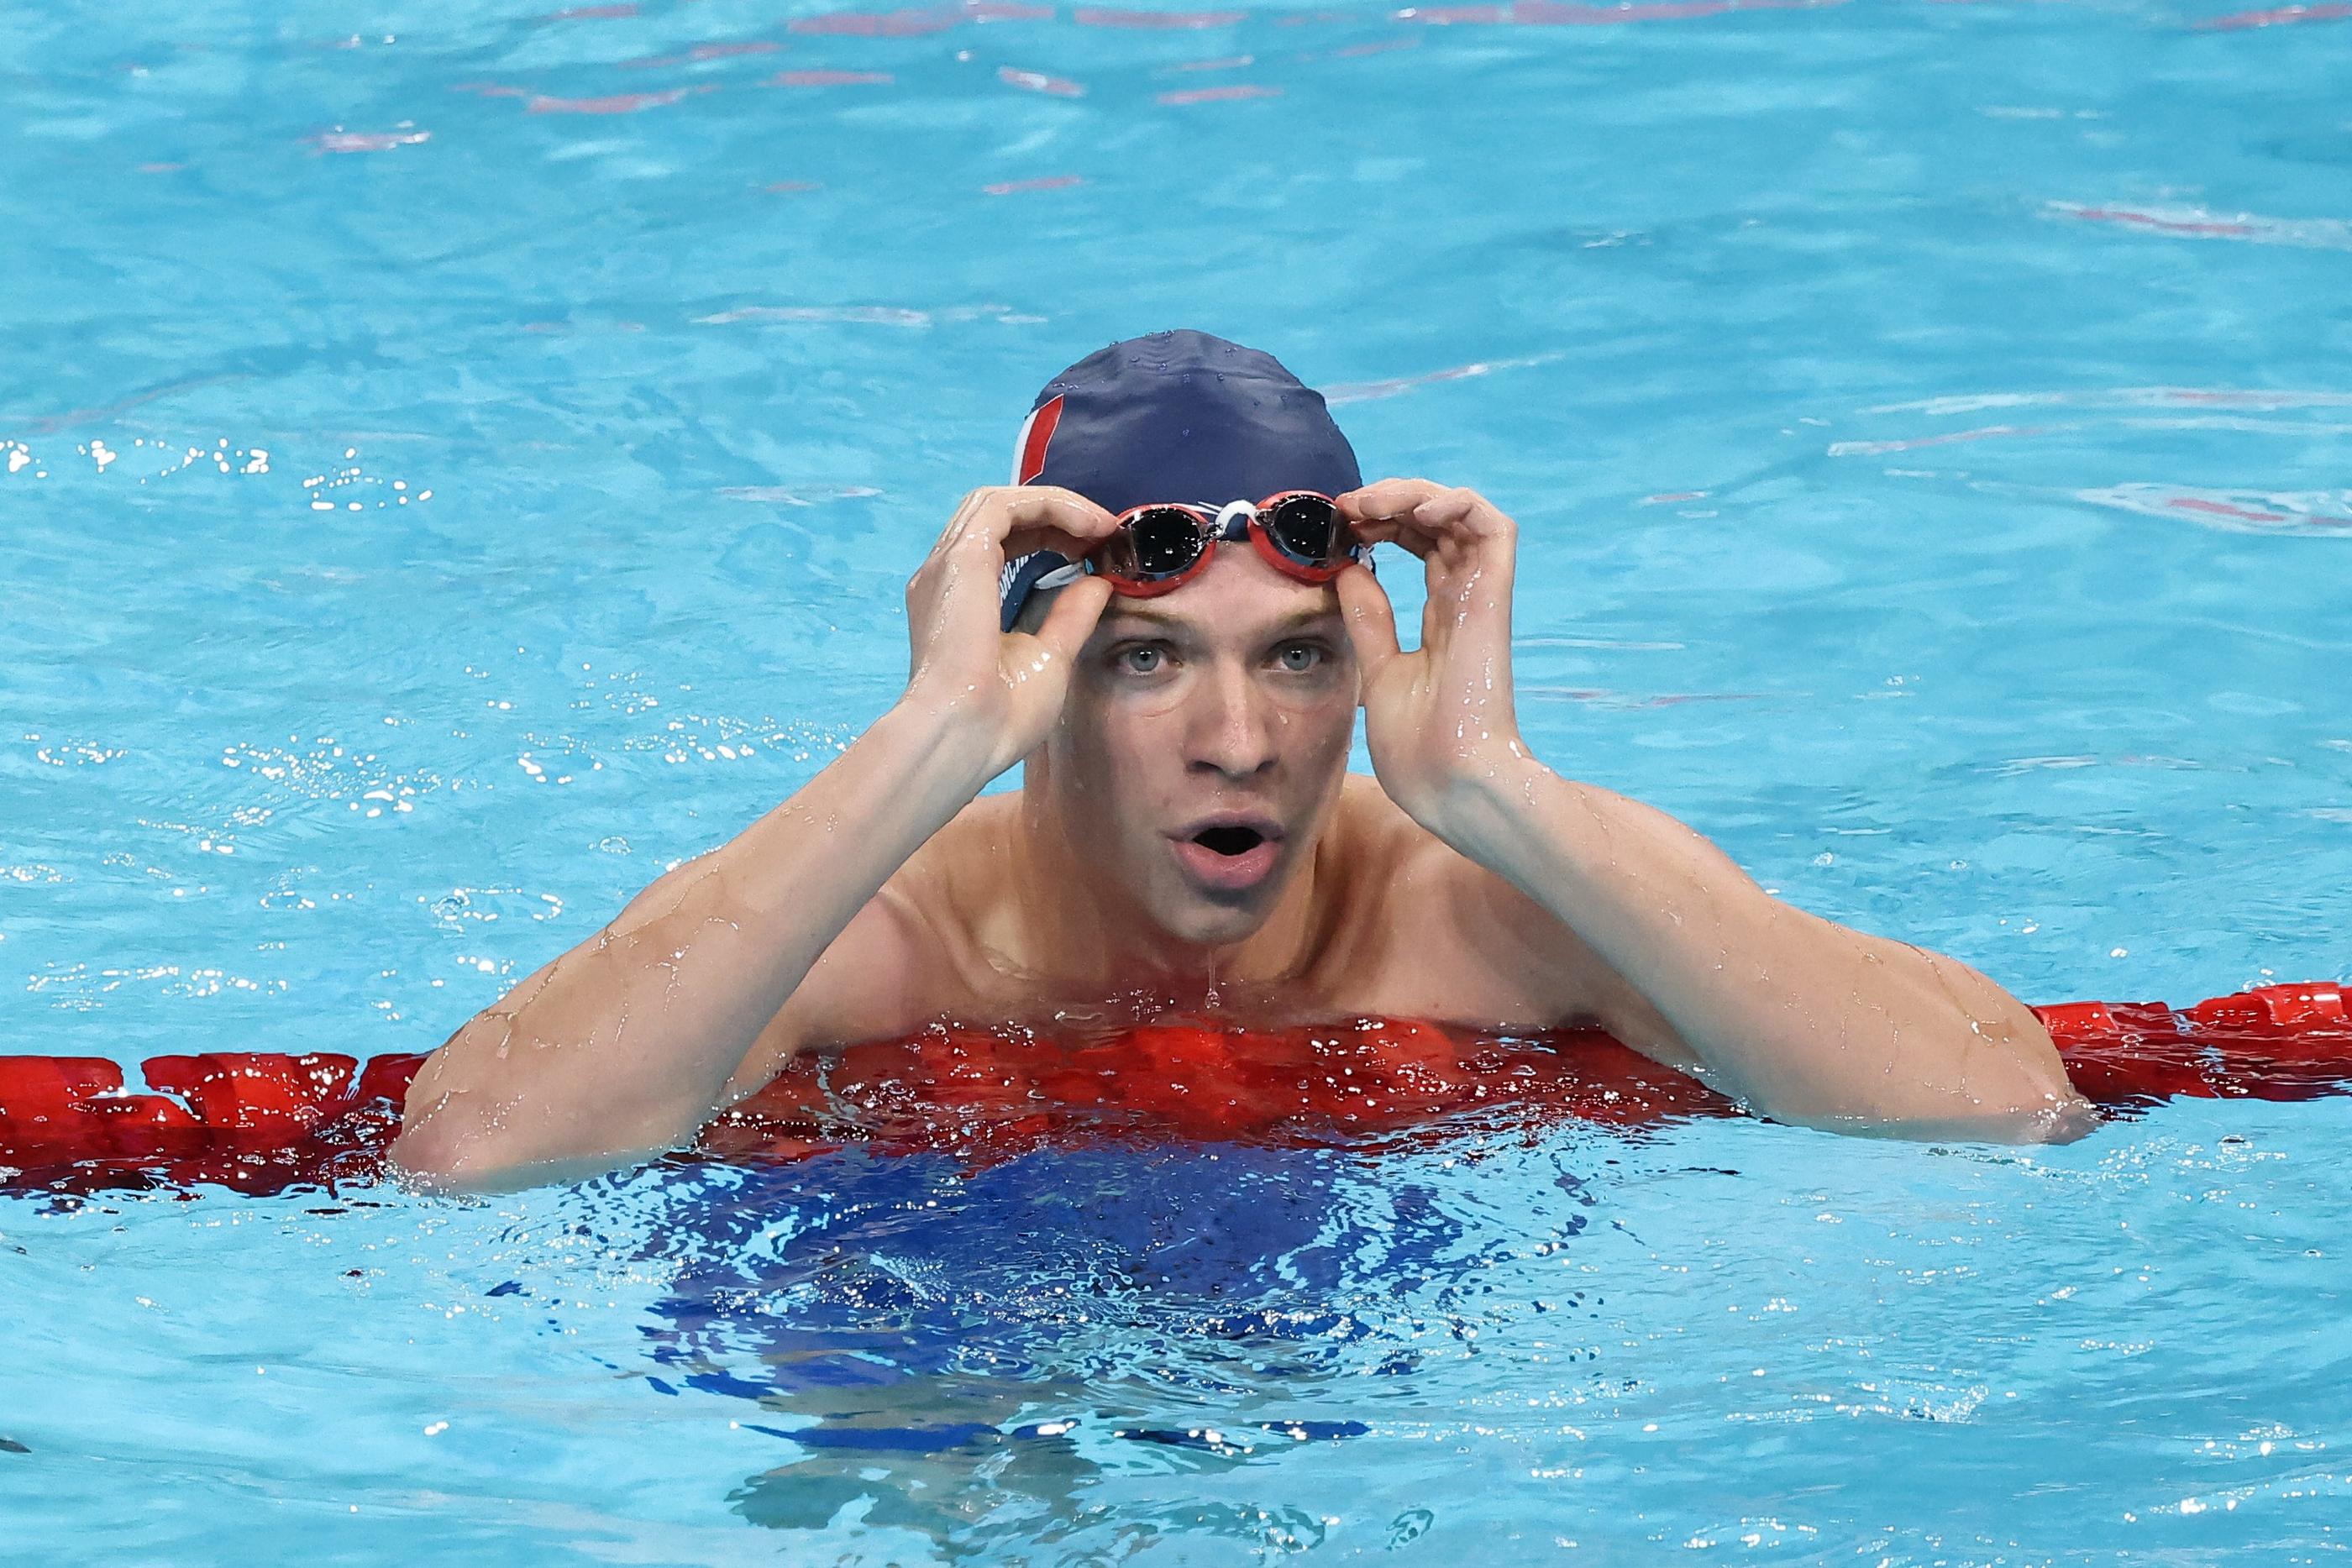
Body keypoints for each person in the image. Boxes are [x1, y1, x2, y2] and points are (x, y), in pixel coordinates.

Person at [389, 329, 2093, 1191]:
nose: (1238, 739)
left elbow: (1998, 1106)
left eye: (1297, 657)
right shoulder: (871, 931)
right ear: (1035, 672)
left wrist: (1497, 786)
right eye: (1145, 662)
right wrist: (921, 746)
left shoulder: (1486, 901)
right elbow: (463, 1153)